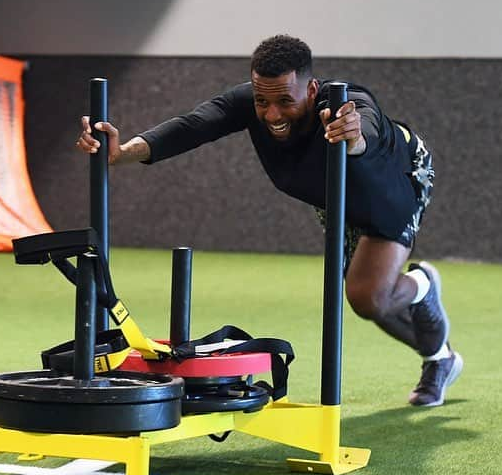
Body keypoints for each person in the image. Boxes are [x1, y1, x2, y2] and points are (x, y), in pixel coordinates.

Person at [75, 34, 462, 407]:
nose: (272, 114)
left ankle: (423, 285)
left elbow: (367, 126)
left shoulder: (347, 103)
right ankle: (440, 357)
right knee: (369, 300)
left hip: (393, 184)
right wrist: (122, 152)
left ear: (311, 91)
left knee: (368, 296)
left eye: (284, 101)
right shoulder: (252, 104)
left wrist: (354, 137)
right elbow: (193, 126)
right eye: (263, 100)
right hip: (336, 198)